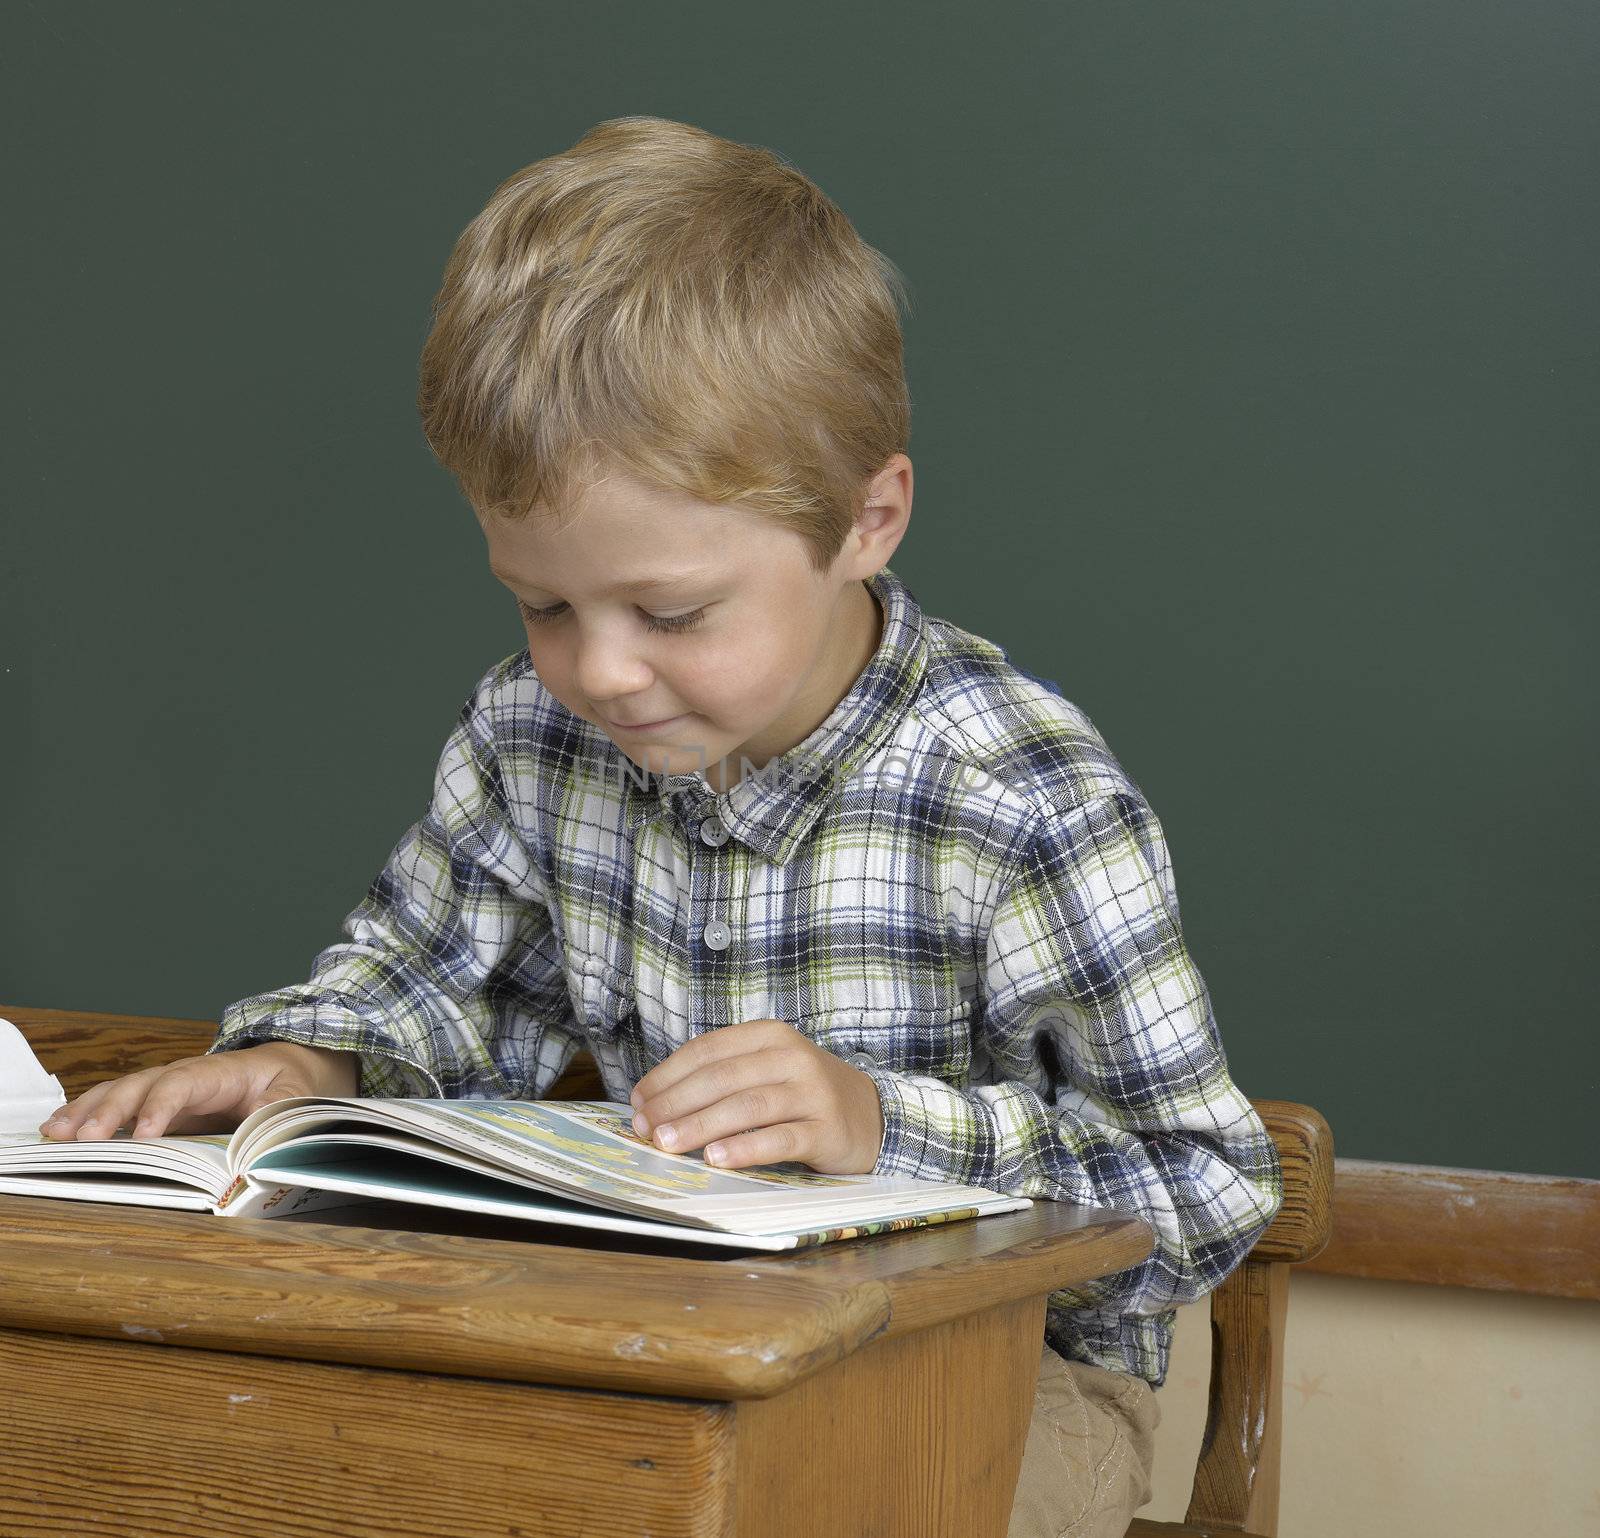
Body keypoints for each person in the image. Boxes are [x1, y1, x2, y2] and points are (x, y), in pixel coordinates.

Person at [38, 115, 1282, 1536]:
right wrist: (311, 1054)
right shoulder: (533, 733)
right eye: (544, 603)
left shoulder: (1025, 802)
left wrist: (882, 1126)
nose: (600, 670)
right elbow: (442, 982)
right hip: (662, 1346)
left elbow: (1204, 1187)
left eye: (672, 612)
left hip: (1006, 1378)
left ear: (868, 519)